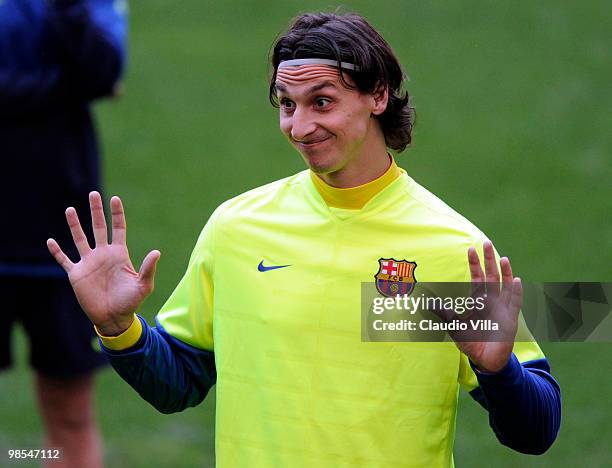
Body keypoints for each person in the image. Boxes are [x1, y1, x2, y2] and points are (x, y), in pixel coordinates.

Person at [47, 11, 561, 467]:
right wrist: (118, 327)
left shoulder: (450, 248)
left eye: (322, 101)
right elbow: (178, 383)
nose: (299, 126)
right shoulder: (238, 227)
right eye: (287, 104)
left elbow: (536, 433)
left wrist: (499, 373)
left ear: (378, 95)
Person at [0, 0, 127, 466]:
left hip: (66, 246)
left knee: (70, 413)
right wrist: (60, 87)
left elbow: (102, 70)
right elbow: (93, 86)